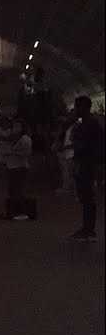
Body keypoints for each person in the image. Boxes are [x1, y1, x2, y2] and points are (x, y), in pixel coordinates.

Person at [68, 96, 103, 242]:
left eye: (78, 106)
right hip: (84, 162)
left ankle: (89, 229)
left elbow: (92, 146)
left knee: (88, 197)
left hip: (88, 163)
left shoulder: (91, 125)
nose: (76, 109)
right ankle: (86, 227)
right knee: (84, 197)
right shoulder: (83, 125)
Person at [0, 119, 33, 221]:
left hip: (19, 166)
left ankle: (21, 211)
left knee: (18, 190)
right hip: (12, 165)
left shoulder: (25, 139)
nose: (15, 128)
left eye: (18, 126)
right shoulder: (14, 138)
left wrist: (11, 152)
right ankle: (13, 211)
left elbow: (27, 153)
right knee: (13, 190)